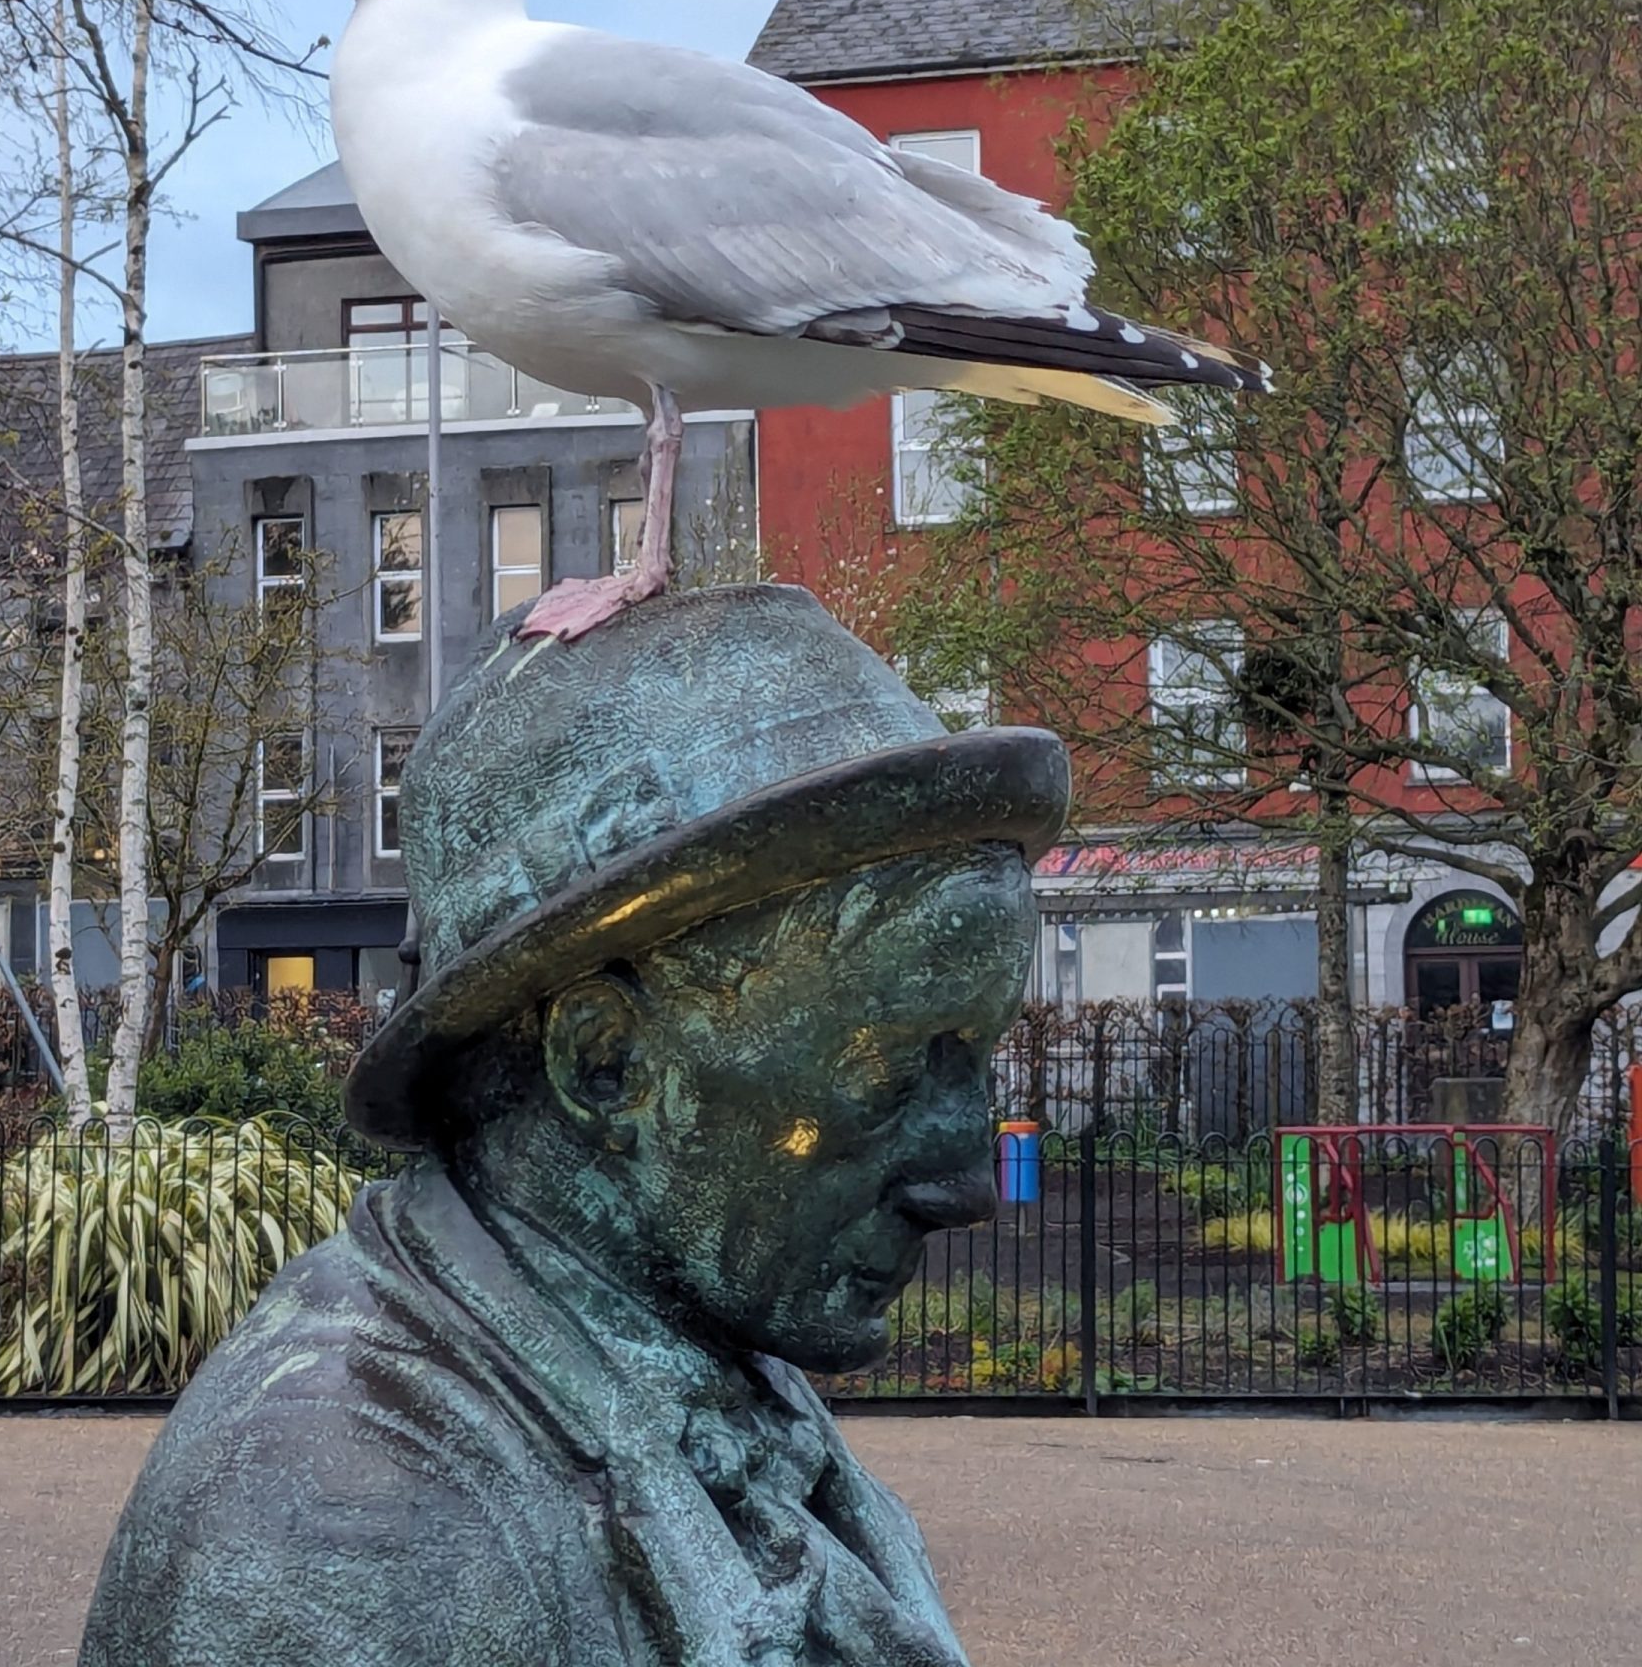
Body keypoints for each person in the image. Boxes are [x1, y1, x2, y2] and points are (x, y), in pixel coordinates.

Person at [84, 583, 1070, 1667]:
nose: (968, 1183)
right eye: (886, 1070)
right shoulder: (341, 1519)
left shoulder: (702, 1355)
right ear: (607, 1063)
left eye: (974, 1060)